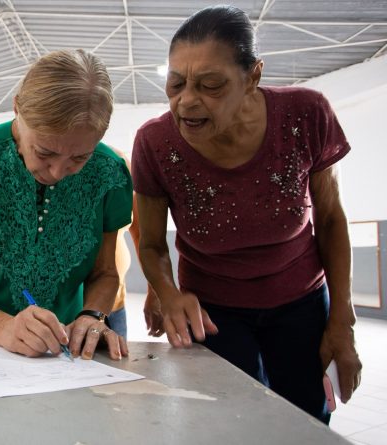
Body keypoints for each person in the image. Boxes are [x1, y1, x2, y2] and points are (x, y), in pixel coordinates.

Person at [132, 5, 362, 423]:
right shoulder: (155, 142)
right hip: (213, 309)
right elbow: (149, 243)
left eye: (211, 85)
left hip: (302, 302)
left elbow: (330, 219)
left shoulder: (306, 114)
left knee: (305, 418)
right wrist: (167, 293)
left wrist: (342, 321)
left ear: (253, 76)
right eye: (176, 82)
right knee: (230, 420)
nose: (186, 101)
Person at [0, 49, 132, 360]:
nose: (57, 172)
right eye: (44, 152)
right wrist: (2, 327)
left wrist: (91, 316)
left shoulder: (109, 172)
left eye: (80, 157)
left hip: (60, 350)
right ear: (17, 108)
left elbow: (106, 272)